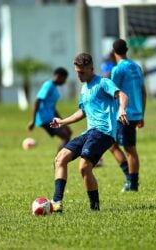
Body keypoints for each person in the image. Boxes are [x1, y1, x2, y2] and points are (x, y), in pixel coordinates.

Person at [50, 53, 129, 212]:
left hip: (104, 132)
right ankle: (56, 203)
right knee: (60, 159)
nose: (79, 75)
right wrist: (62, 121)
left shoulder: (103, 83)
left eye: (82, 72)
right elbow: (82, 112)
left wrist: (121, 109)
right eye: (77, 72)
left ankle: (94, 208)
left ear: (91, 69)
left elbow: (122, 95)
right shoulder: (84, 89)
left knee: (84, 167)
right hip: (90, 132)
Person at [109, 38, 147, 192]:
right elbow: (143, 92)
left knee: (129, 149)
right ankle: (130, 180)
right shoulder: (137, 67)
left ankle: (132, 183)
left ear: (114, 52)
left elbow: (113, 93)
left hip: (123, 115)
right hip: (136, 113)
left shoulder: (117, 70)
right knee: (113, 144)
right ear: (127, 50)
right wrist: (141, 115)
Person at [27, 67, 72, 153]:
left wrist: (63, 122)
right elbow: (37, 101)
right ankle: (58, 161)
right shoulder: (48, 85)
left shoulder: (54, 88)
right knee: (65, 136)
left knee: (68, 132)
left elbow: (53, 108)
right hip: (44, 118)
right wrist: (33, 121)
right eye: (64, 79)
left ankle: (59, 160)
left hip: (50, 117)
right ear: (59, 76)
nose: (64, 81)